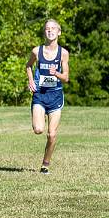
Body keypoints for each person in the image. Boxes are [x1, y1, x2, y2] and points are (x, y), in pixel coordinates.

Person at [25, 19, 70, 174]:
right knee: (38, 129)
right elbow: (28, 66)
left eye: (53, 28)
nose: (50, 31)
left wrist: (56, 73)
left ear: (59, 32)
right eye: (47, 29)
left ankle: (45, 164)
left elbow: (66, 78)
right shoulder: (36, 51)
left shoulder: (63, 53)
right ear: (44, 32)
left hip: (55, 97)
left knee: (52, 134)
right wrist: (31, 80)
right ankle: (40, 115)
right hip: (40, 95)